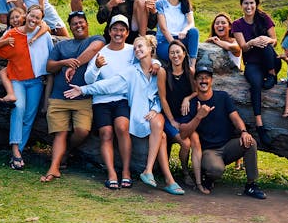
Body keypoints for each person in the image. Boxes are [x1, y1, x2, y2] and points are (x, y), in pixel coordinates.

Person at [66, 36, 184, 195]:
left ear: (150, 49)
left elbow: (160, 97)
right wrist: (83, 89)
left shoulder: (159, 70)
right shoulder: (131, 72)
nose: (137, 50)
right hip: (140, 115)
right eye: (135, 48)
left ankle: (156, 174)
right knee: (161, 135)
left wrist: (155, 109)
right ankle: (165, 178)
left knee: (159, 128)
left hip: (155, 114)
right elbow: (109, 84)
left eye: (141, 46)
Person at [178, 65, 266, 199]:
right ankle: (208, 177)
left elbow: (235, 117)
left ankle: (251, 185)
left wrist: (243, 132)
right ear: (195, 82)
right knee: (216, 169)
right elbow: (183, 133)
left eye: (207, 77)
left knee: (250, 143)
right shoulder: (191, 104)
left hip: (228, 145)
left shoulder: (222, 97)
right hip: (209, 151)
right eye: (200, 78)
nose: (203, 80)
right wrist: (198, 116)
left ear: (211, 81)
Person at [39, 11, 105, 182]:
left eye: (81, 22)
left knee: (82, 131)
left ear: (87, 24)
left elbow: (94, 49)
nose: (78, 25)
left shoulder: (95, 39)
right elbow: (49, 67)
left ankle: (66, 150)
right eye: (74, 24)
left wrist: (74, 65)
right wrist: (63, 63)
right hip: (59, 97)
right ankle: (54, 168)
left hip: (82, 98)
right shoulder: (62, 46)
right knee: (60, 133)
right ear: (70, 27)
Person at [0, 5, 53, 169]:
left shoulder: (44, 35)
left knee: (29, 117)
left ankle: (18, 151)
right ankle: (16, 151)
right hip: (17, 79)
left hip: (36, 81)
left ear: (41, 20)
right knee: (18, 108)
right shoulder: (13, 33)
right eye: (31, 16)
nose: (33, 20)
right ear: (26, 15)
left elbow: (50, 56)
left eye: (37, 18)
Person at [232, 0, 279, 147]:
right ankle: (259, 125)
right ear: (241, 5)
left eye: (251, 3)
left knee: (265, 43)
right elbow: (243, 48)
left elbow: (275, 41)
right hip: (252, 63)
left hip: (270, 61)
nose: (249, 6)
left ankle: (272, 75)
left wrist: (266, 40)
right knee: (256, 86)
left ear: (256, 4)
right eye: (246, 3)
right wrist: (252, 42)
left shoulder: (264, 18)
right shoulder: (237, 24)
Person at [157, 40, 205, 192]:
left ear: (184, 54)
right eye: (172, 53)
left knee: (194, 140)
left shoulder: (190, 71)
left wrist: (187, 98)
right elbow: (162, 98)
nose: (175, 55)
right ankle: (184, 172)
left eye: (178, 52)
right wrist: (171, 120)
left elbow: (197, 90)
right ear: (168, 55)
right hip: (168, 118)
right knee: (185, 143)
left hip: (185, 116)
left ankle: (193, 173)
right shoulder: (163, 72)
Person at [155, 0, 199, 68]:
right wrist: (176, 45)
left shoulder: (185, 3)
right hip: (165, 41)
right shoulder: (160, 3)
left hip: (181, 37)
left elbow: (191, 23)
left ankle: (192, 66)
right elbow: (163, 28)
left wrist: (185, 30)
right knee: (176, 55)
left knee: (194, 31)